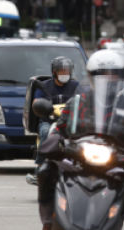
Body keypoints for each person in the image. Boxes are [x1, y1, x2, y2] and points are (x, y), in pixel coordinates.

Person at [37, 49, 124, 230]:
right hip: (79, 155)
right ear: (91, 78)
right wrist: (55, 141)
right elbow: (60, 128)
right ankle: (47, 221)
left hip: (117, 157)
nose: (107, 80)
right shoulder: (78, 102)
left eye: (113, 76)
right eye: (101, 75)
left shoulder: (122, 103)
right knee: (46, 170)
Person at [26, 56, 79, 185]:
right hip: (49, 121)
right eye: (62, 71)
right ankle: (40, 168)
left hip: (70, 122)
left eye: (67, 71)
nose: (65, 74)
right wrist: (43, 106)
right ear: (54, 72)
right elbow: (36, 102)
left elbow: (83, 99)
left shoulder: (76, 86)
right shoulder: (43, 86)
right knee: (45, 133)